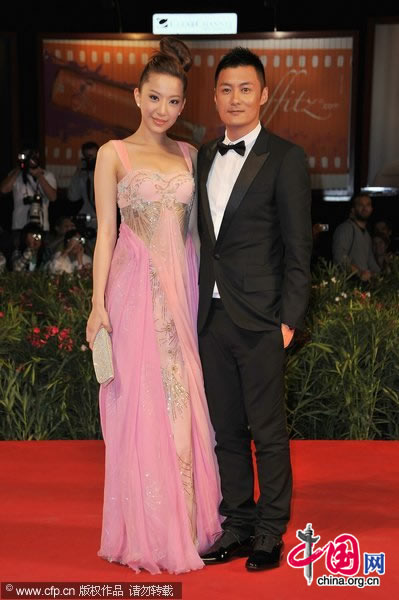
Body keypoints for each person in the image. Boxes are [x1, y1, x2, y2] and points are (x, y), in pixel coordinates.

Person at [85, 37, 220, 574]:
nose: (163, 110)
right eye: (154, 98)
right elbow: (105, 236)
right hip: (135, 291)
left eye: (173, 102)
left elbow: (199, 237)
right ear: (137, 95)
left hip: (182, 291)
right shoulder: (111, 155)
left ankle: (186, 523)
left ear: (183, 106)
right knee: (143, 409)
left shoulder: (191, 155)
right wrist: (97, 305)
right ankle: (148, 528)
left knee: (183, 404)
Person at [197, 47, 312, 571]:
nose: (235, 98)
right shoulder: (202, 156)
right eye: (226, 89)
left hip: (263, 319)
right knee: (226, 432)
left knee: (267, 432)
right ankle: (237, 525)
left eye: (246, 89)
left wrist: (289, 319)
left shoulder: (286, 158)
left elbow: (297, 249)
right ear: (215, 96)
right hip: (211, 318)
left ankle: (270, 532)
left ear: (264, 95)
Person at [0, 147, 57, 247]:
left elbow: (52, 197)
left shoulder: (47, 175)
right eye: (25, 156)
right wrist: (19, 168)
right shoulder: (15, 174)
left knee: (41, 256)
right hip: (20, 225)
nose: (29, 160)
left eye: (31, 157)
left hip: (41, 226)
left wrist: (39, 176)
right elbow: (4, 189)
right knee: (19, 257)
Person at [332, 194, 380, 281]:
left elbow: (370, 261)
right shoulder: (346, 228)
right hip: (347, 284)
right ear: (353, 210)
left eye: (368, 205)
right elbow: (339, 256)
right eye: (361, 205)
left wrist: (381, 276)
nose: (365, 208)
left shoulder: (367, 235)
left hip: (362, 285)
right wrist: (359, 272)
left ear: (372, 209)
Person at [67, 141, 99, 227]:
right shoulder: (82, 175)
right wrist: (78, 172)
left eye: (93, 157)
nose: (91, 160)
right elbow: (72, 197)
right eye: (88, 157)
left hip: (102, 218)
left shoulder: (106, 173)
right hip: (86, 218)